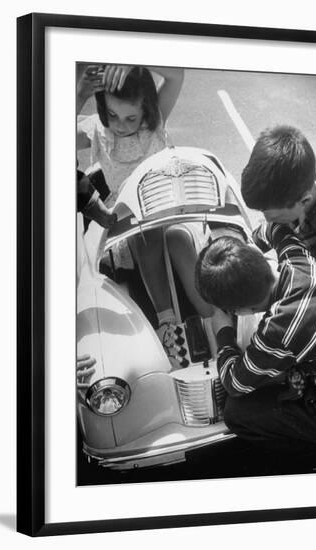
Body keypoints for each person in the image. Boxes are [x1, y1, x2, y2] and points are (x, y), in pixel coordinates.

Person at [77, 64, 213, 368]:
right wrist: (80, 91)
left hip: (171, 207)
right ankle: (168, 326)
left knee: (178, 240)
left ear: (146, 111)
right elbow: (50, 133)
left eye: (130, 118)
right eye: (112, 115)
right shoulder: (96, 130)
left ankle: (214, 321)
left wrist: (130, 58)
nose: (121, 125)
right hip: (131, 220)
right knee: (146, 238)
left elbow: (176, 75)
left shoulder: (155, 122)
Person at [195, 224, 316, 457]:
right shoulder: (298, 258)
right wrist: (250, 245)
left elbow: (234, 382)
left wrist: (224, 334)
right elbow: (276, 228)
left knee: (237, 413)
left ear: (240, 310)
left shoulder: (278, 330)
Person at [241, 125, 316, 282]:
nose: (269, 222)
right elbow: (265, 232)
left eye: (275, 217)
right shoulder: (289, 195)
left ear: (305, 200)